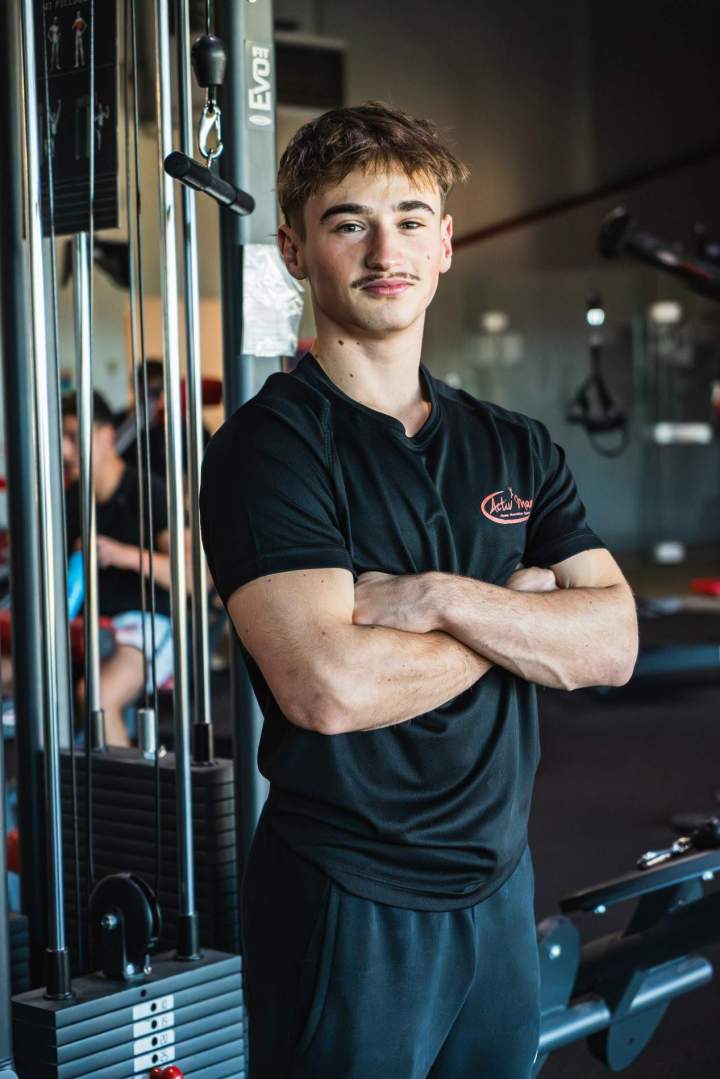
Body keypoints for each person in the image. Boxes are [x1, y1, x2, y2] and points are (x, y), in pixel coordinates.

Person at [200, 102, 639, 1078]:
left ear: (444, 245)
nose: (383, 246)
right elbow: (330, 687)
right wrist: (524, 612)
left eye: (409, 217)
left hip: (497, 882)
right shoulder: (270, 451)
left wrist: (441, 596)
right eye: (349, 220)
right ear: (295, 249)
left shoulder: (514, 442)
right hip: (347, 896)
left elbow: (610, 645)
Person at [62, 391, 184, 747]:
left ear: (107, 436)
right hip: (85, 627)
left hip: (145, 623)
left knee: (98, 697)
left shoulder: (149, 492)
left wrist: (121, 554)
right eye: (62, 439)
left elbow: (192, 577)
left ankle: (126, 800)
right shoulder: (69, 502)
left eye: (73, 436)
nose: (66, 451)